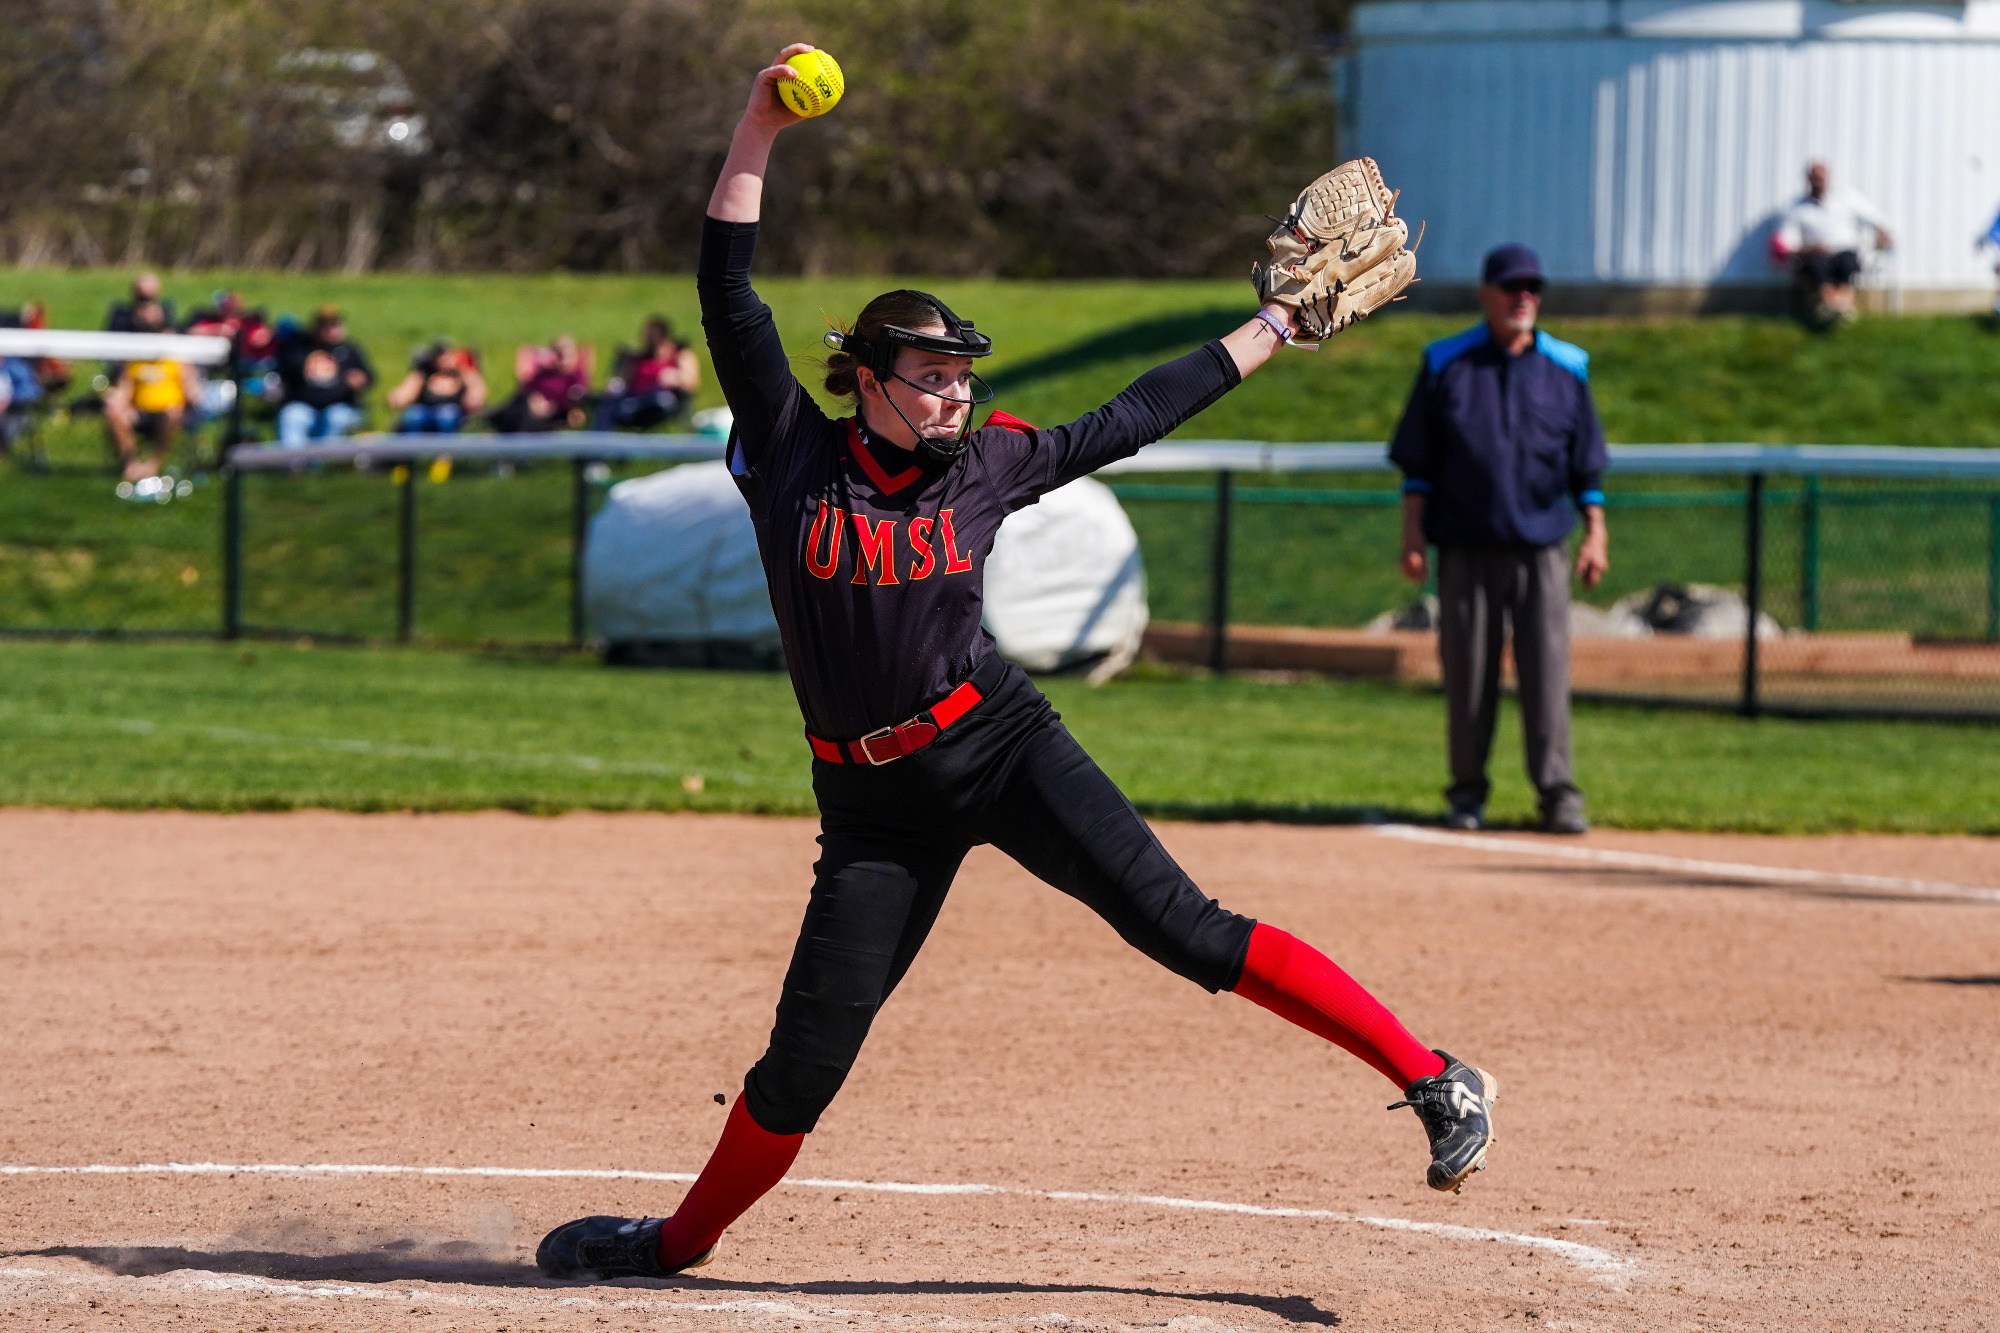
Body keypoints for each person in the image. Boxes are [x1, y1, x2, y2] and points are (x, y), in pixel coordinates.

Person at [534, 45, 1498, 1283]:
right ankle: (674, 1242)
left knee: (1185, 930)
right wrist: (755, 128)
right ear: (867, 381)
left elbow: (1129, 417)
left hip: (995, 742)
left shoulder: (986, 462)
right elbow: (728, 290)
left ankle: (1432, 1077)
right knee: (801, 1063)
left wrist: (1270, 326)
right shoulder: (787, 451)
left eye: (959, 379)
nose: (951, 395)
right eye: (930, 378)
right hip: (872, 807)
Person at [1389, 243, 1609, 836]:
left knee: (1547, 675)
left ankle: (1558, 794)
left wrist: (1596, 535)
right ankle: (1466, 793)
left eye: (1532, 288)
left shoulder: (1568, 367)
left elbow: (1586, 467)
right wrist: (1413, 536)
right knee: (1468, 677)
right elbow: (1418, 465)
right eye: (1512, 287)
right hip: (1465, 545)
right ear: (1486, 294)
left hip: (1542, 546)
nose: (1524, 298)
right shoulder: (1446, 363)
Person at [1771, 160, 1892, 325]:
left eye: (1821, 177)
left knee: (1848, 260)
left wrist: (1881, 231)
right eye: (1815, 178)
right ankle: (1838, 306)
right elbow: (1786, 241)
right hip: (1814, 255)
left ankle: (1836, 305)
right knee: (1816, 264)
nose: (1819, 181)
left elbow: (1873, 217)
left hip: (1844, 252)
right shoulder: (1797, 208)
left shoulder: (1846, 198)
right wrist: (1809, 248)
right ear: (1809, 179)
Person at [103, 302, 203, 480]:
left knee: (172, 412)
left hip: (169, 412)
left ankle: (154, 463)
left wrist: (192, 395)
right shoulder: (135, 358)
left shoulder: (178, 359)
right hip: (139, 410)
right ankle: (131, 464)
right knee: (114, 411)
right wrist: (115, 401)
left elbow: (193, 393)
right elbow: (124, 390)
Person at [274, 306, 374, 444]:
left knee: (336, 417)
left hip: (341, 405)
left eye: (335, 325)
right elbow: (284, 374)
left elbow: (369, 379)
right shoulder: (298, 349)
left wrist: (360, 381)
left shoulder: (350, 350)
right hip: (304, 405)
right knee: (291, 416)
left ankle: (324, 463)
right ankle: (295, 463)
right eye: (326, 327)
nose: (332, 331)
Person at [595, 316, 700, 430]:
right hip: (634, 399)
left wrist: (676, 378)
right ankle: (597, 441)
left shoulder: (680, 354)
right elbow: (623, 380)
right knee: (607, 404)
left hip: (661, 400)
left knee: (661, 400)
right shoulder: (639, 356)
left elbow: (692, 382)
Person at [490, 335, 592, 433]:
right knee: (519, 404)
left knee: (519, 412)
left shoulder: (576, 376)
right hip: (527, 405)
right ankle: (493, 419)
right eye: (559, 355)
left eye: (567, 355)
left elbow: (577, 399)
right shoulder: (544, 373)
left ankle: (495, 424)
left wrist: (549, 405)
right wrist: (534, 399)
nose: (563, 360)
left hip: (552, 415)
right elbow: (525, 388)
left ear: (575, 355)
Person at [387, 340, 487, 433]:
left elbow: (476, 394)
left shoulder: (463, 372)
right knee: (414, 416)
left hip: (453, 410)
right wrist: (399, 397)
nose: (442, 359)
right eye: (439, 355)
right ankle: (408, 449)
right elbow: (404, 394)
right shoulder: (424, 372)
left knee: (446, 415)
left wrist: (466, 372)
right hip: (425, 409)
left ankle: (445, 450)